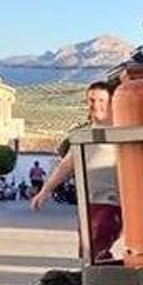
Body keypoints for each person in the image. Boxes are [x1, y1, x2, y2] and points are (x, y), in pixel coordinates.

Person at [32, 81, 123, 264]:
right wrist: (45, 191)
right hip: (88, 204)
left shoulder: (122, 135)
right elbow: (66, 166)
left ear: (112, 103)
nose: (96, 105)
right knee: (87, 253)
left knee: (96, 250)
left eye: (101, 100)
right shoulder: (82, 137)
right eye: (91, 100)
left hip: (111, 204)